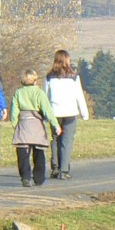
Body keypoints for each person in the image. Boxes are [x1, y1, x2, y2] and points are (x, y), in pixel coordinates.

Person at [10, 69, 61, 187]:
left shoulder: (18, 93)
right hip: (37, 124)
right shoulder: (39, 93)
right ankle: (39, 178)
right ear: (35, 80)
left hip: (23, 123)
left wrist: (15, 124)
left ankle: (25, 177)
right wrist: (56, 125)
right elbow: (47, 111)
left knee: (23, 153)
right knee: (39, 153)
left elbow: (14, 112)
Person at [44, 49, 89, 180]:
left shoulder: (49, 77)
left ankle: (55, 167)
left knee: (55, 139)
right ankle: (64, 170)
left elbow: (45, 96)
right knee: (67, 141)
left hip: (54, 113)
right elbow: (79, 96)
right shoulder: (73, 77)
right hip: (70, 112)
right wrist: (84, 113)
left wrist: (45, 114)